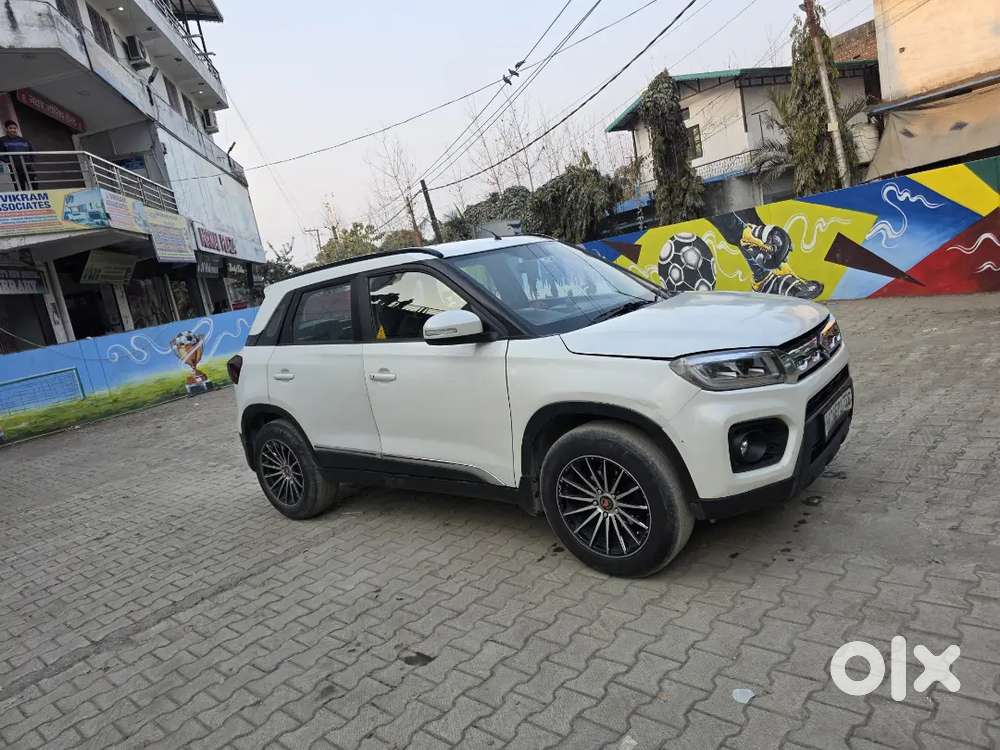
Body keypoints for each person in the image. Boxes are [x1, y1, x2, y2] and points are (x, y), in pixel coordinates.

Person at [0, 121, 34, 190]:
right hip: (14, 168)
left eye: (14, 128)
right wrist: (10, 161)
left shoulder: (24, 140)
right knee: (20, 188)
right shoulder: (2, 140)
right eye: (10, 128)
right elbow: (1, 154)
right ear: (6, 129)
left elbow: (31, 151)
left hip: (28, 167)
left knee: (34, 185)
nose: (13, 130)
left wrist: (30, 161)